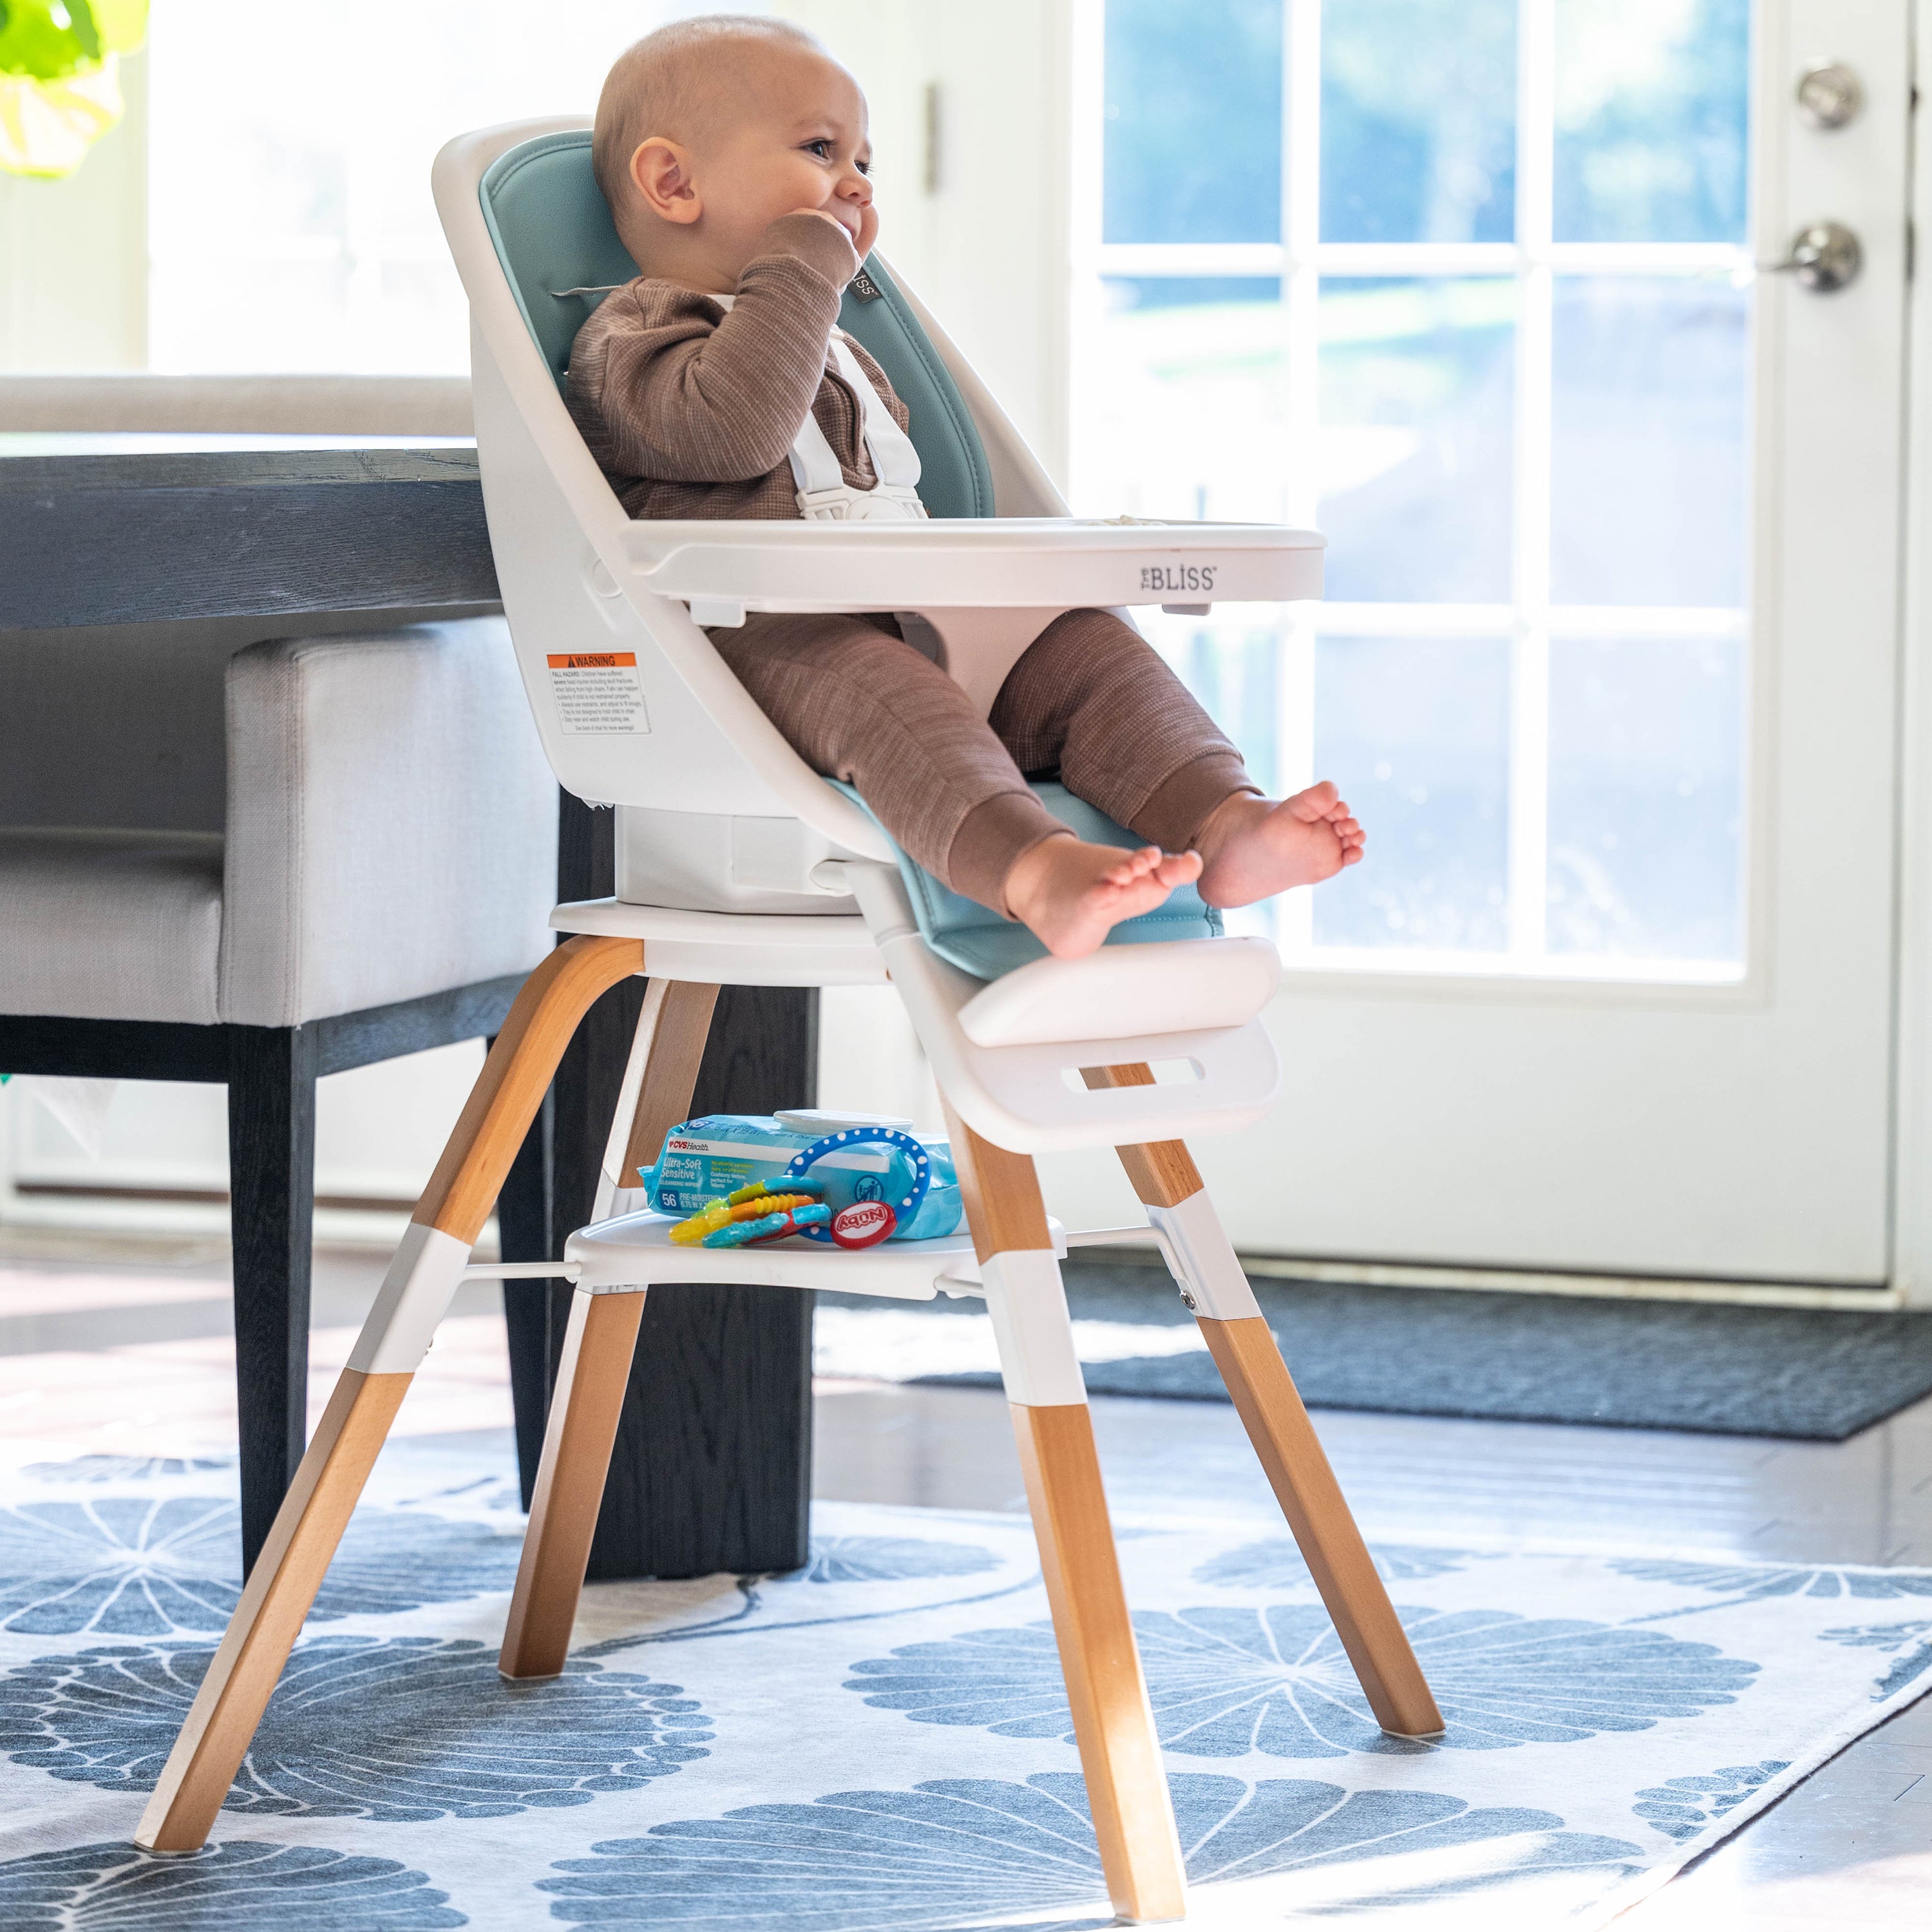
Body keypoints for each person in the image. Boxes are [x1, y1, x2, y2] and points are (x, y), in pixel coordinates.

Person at [569, 15, 1363, 958]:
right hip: (764, 652)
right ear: (674, 182)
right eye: (822, 150)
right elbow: (736, 430)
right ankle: (1035, 870)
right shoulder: (631, 341)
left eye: (866, 161)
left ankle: (1223, 823)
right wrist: (805, 262)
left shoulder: (838, 346)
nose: (857, 184)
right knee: (889, 694)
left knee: (1087, 648)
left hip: (913, 624)